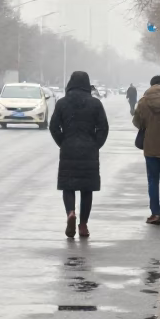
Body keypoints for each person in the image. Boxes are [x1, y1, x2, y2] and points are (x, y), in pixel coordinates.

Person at [49, 70, 109, 239]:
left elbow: (54, 126)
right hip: (89, 150)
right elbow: (103, 127)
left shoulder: (62, 103)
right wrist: (95, 144)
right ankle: (83, 225)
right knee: (86, 188)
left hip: (68, 148)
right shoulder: (95, 103)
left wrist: (63, 142)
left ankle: (70, 213)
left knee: (68, 186)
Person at [132, 76, 160, 225]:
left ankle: (155, 214)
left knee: (153, 180)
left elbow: (137, 122)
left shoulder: (144, 102)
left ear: (151, 85)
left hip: (150, 147)